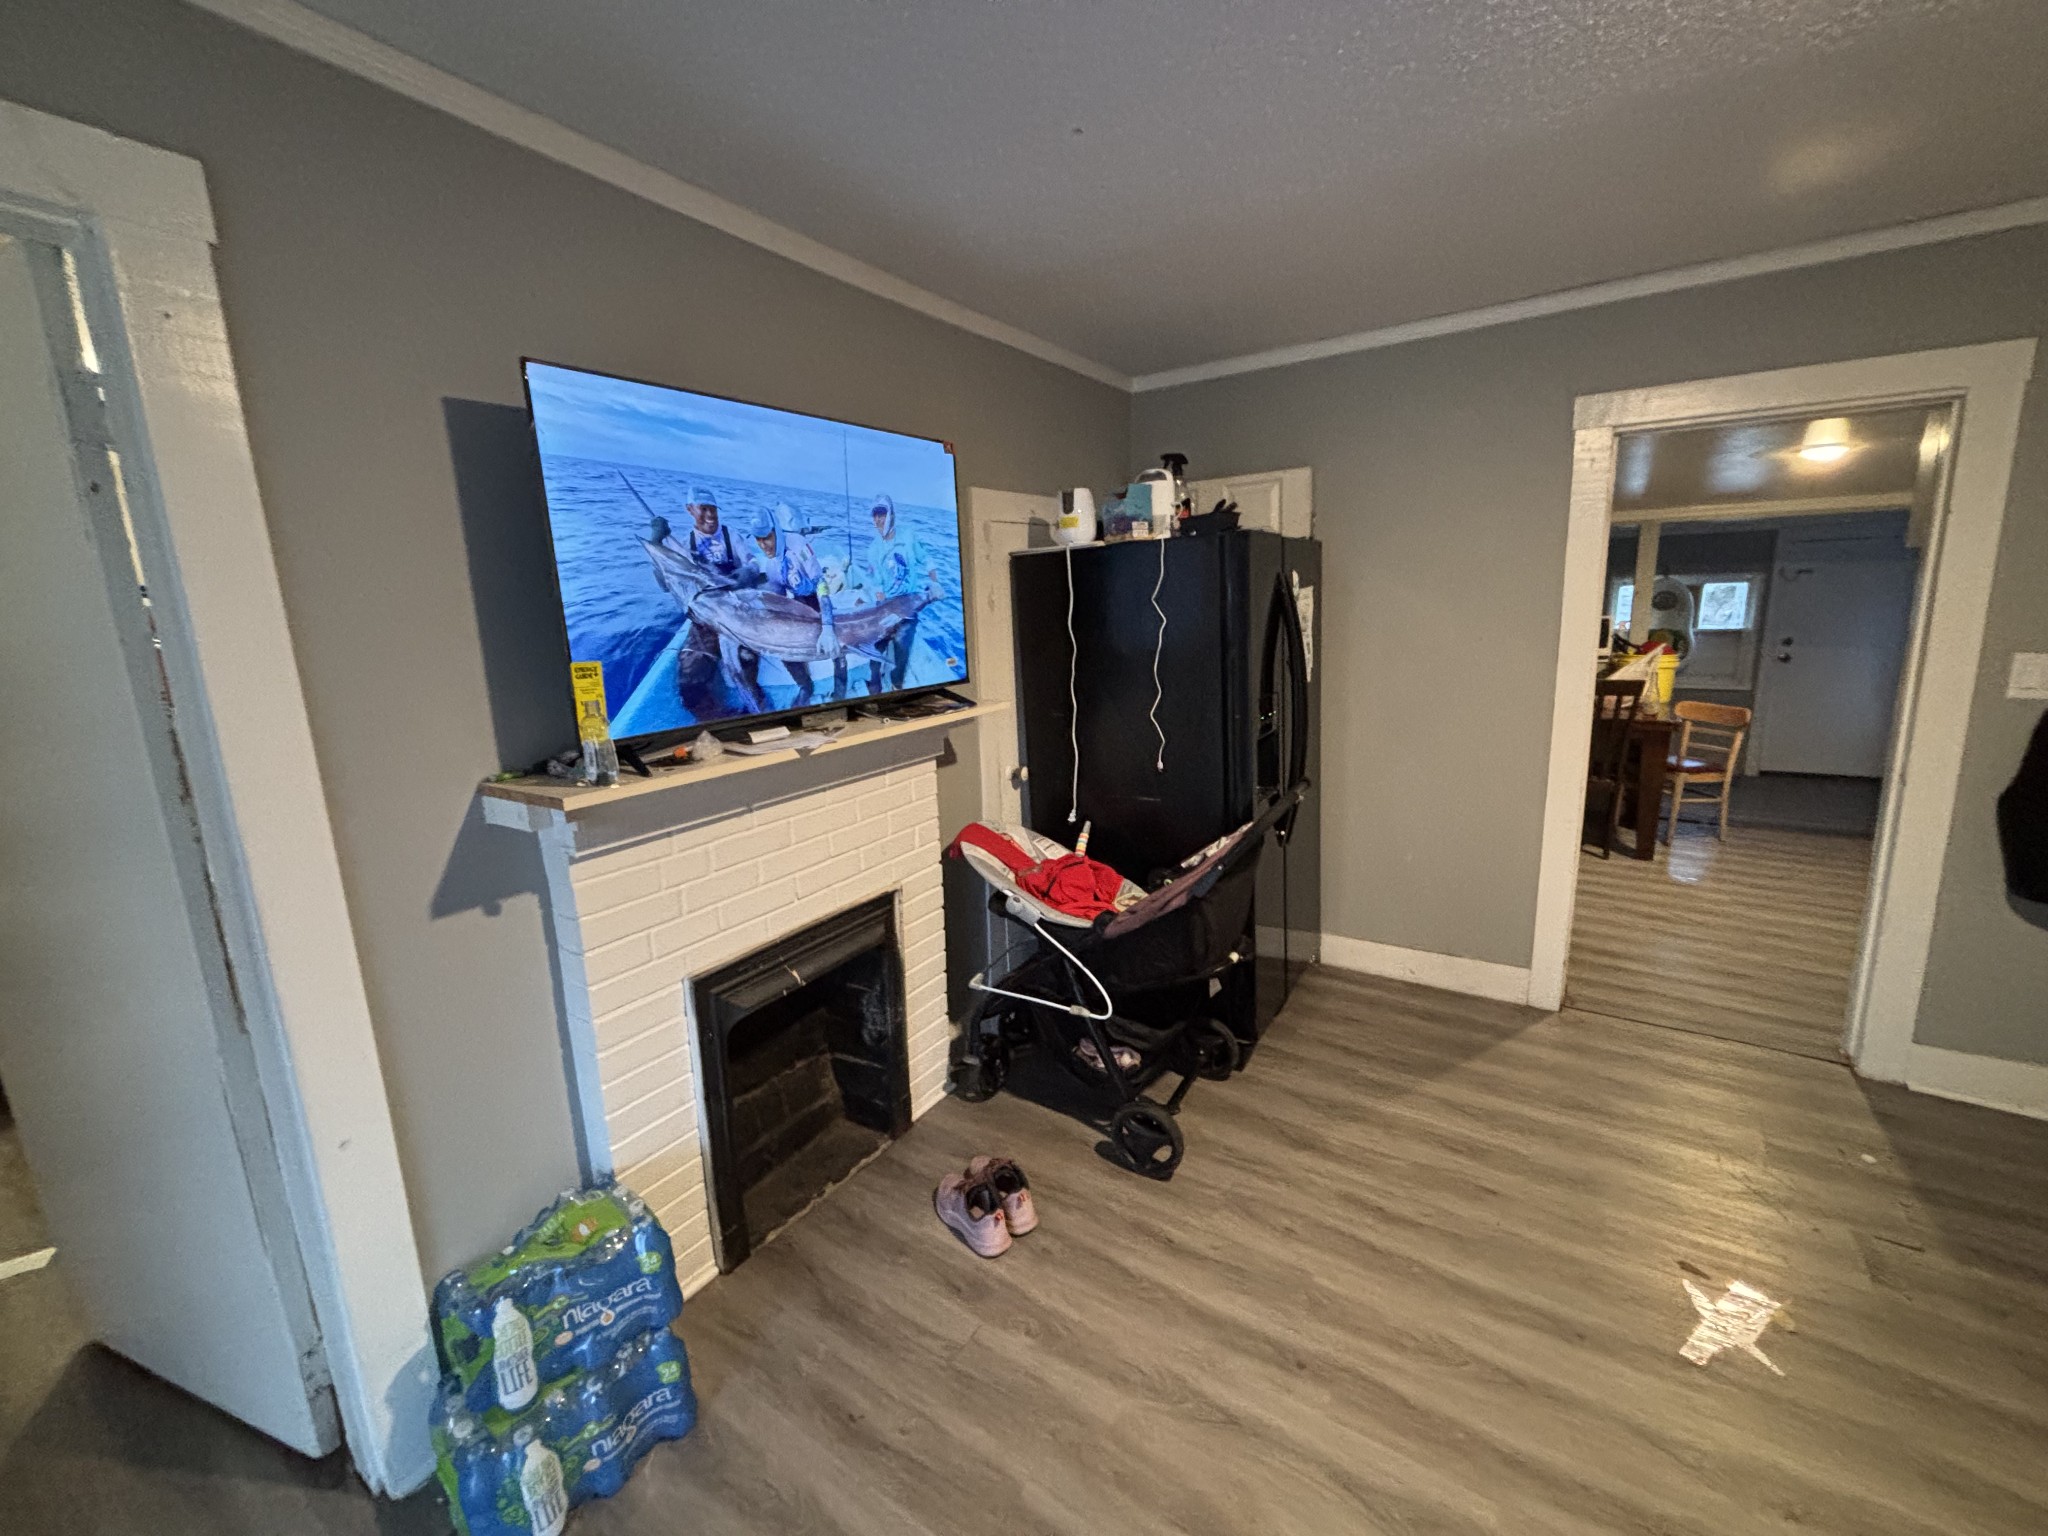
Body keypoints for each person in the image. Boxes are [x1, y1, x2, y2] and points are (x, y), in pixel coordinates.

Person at [854, 493, 937, 693]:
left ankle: (896, 685)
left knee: (902, 647)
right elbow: (875, 582)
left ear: (891, 514)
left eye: (881, 514)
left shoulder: (908, 535)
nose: (877, 520)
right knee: (874, 646)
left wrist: (935, 583)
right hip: (885, 606)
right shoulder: (873, 549)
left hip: (908, 604)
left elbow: (925, 559)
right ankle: (874, 685)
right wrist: (874, 598)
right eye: (874, 515)